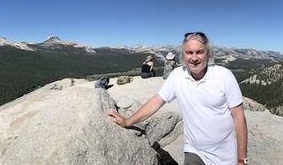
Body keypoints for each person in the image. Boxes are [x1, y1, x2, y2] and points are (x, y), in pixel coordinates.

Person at [107, 32, 249, 165]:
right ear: (183, 55)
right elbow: (157, 101)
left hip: (223, 156)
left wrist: (242, 159)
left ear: (208, 54)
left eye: (199, 52)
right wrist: (127, 121)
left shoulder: (224, 76)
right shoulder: (178, 75)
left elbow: (238, 116)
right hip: (194, 152)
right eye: (189, 52)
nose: (194, 58)